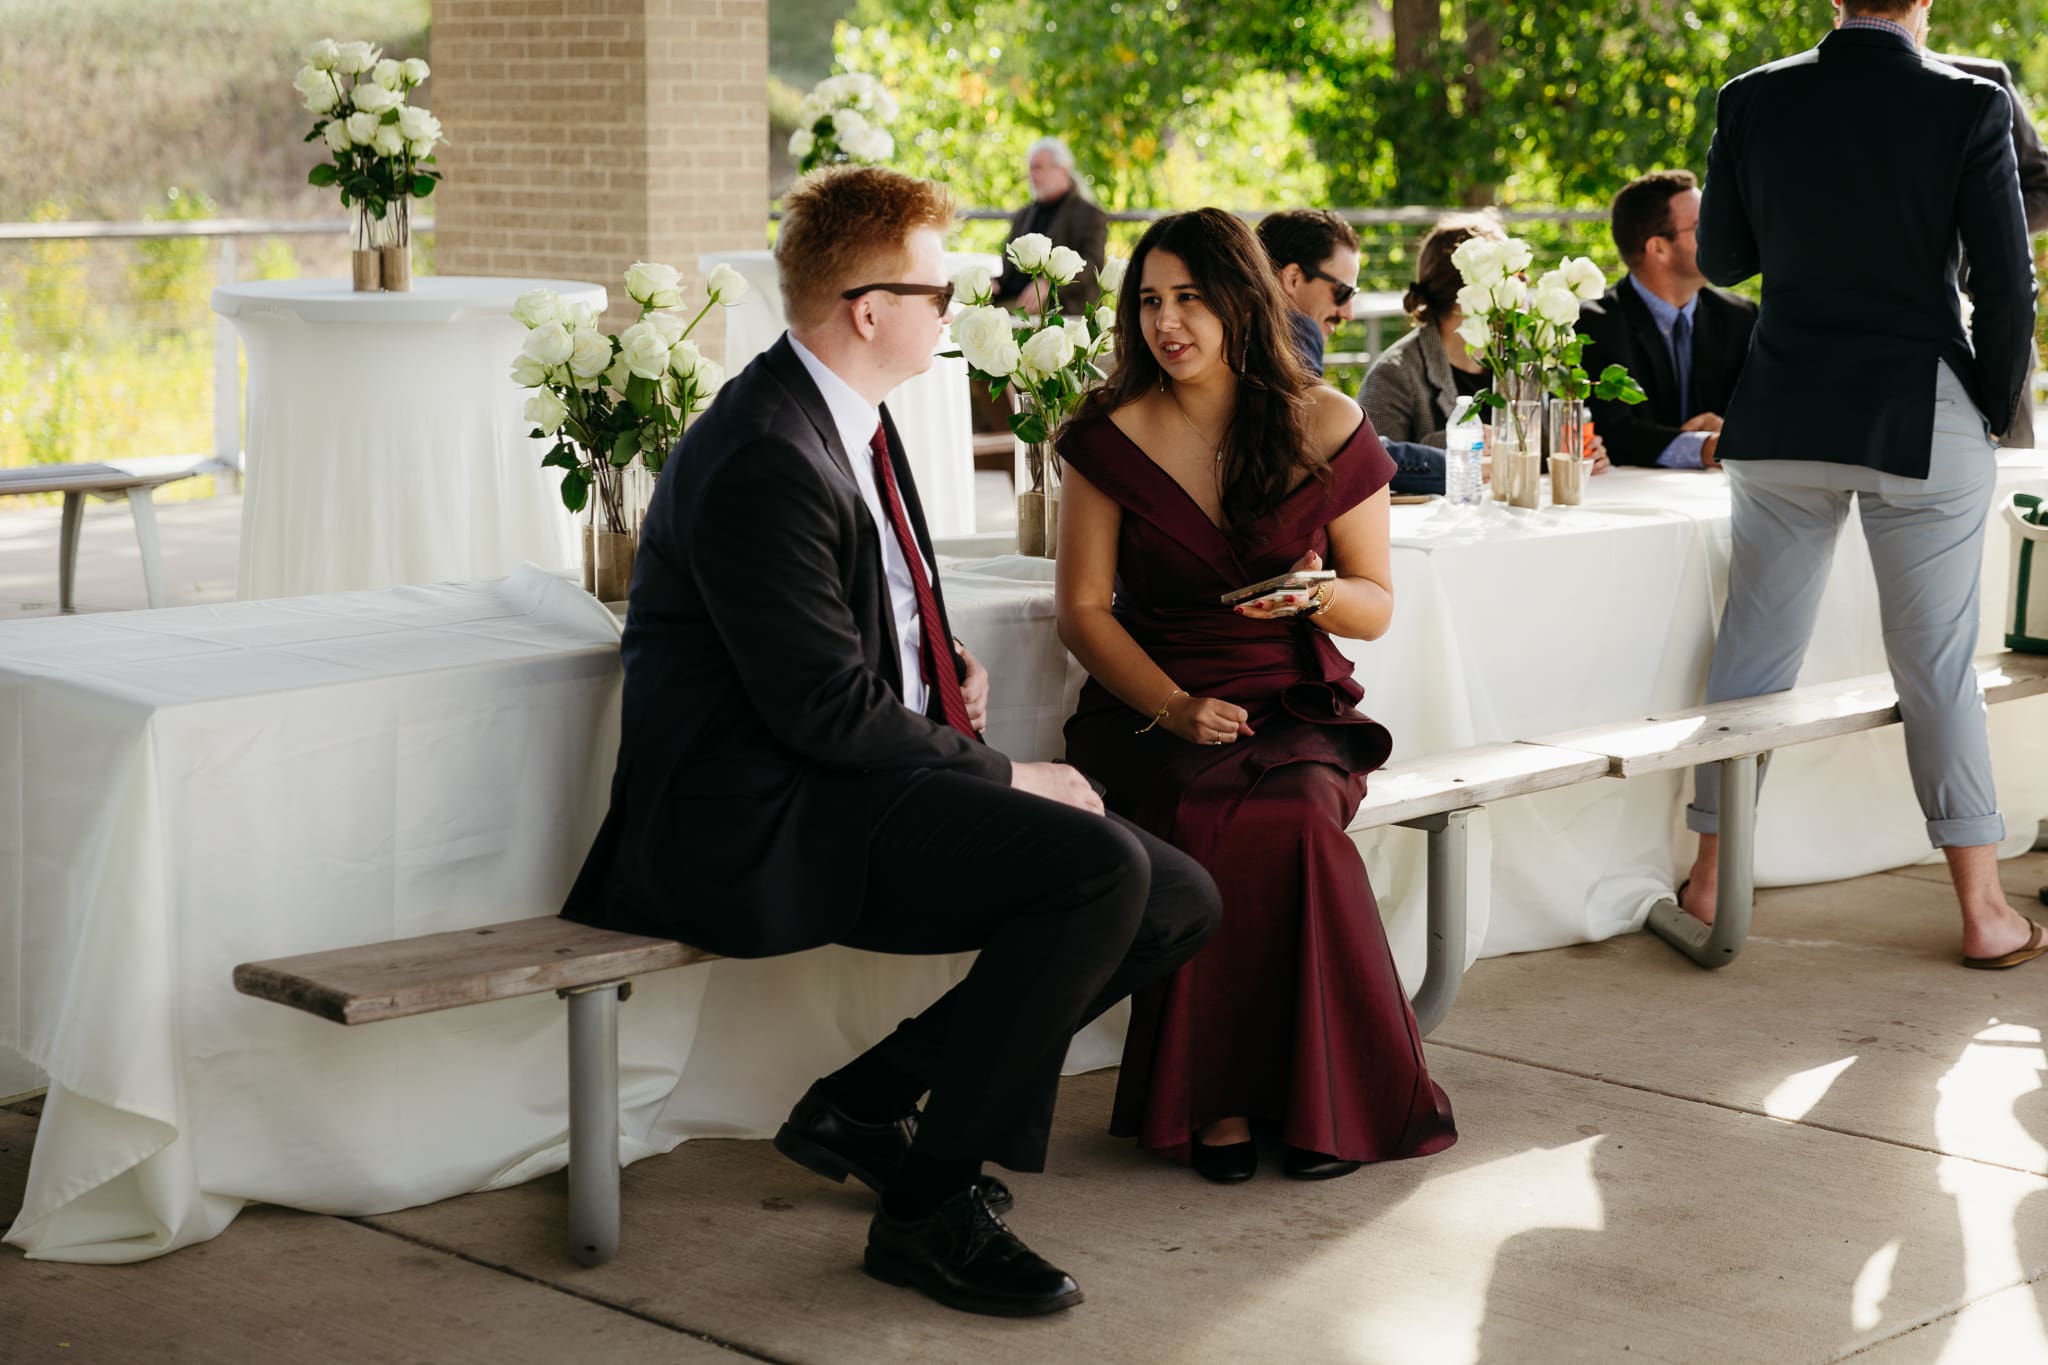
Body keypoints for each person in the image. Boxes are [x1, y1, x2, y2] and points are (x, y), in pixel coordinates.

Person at [561, 166, 1223, 1316]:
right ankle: (925, 1207)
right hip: (763, 817)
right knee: (1096, 871)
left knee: (1177, 900)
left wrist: (933, 654)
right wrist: (1010, 773)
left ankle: (864, 1103)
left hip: (854, 780)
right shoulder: (762, 450)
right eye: (938, 291)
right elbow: (819, 709)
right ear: (867, 310)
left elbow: (847, 620)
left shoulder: (846, 413)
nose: (955, 308)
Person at [1052, 207, 1458, 1184]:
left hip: (1289, 698)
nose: (1166, 322)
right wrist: (1172, 707)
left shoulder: (1328, 421)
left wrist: (1316, 594)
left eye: (1190, 297)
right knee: (1198, 813)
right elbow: (1081, 612)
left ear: (1240, 300)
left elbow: (1373, 604)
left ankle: (1328, 1100)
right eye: (1149, 301)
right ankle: (1217, 1101)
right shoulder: (1106, 434)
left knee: (1298, 820)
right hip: (1151, 705)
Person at [1678, 0, 2044, 969]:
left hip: (1783, 407)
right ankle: (1983, 913)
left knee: (1752, 651)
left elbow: (1721, 260)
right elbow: (2007, 284)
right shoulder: (1968, 103)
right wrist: (1990, 400)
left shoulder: (1750, 97)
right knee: (1934, 663)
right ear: (1922, 2)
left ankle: (1709, 877)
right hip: (1919, 411)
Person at [1362, 213, 1610, 480]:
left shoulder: (1526, 357)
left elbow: (1539, 450)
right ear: (1469, 290)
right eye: (1515, 274)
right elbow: (1369, 469)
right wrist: (1457, 445)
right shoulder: (1394, 374)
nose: (1526, 283)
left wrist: (1577, 452)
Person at [1577, 170, 1759, 468]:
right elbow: (1612, 430)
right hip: (1630, 493)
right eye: (1702, 226)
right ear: (1658, 248)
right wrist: (1704, 448)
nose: (1719, 235)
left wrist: (1730, 430)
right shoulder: (1595, 323)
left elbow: (1768, 410)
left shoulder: (1740, 317)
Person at [1933, 46, 2048, 447]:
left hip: (1993, 328)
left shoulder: (1984, 81)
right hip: (1893, 346)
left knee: (2010, 467)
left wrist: (1980, 229)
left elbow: (2043, 186)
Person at [992, 136, 1110, 314]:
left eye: (1038, 168)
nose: (1032, 175)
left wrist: (1050, 284)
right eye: (1031, 168)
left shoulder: (1089, 214)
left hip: (1059, 308)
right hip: (1010, 303)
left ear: (1062, 171)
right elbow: (1009, 267)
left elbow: (1093, 265)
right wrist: (992, 284)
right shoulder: (1024, 215)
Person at [1255, 208, 1361, 378]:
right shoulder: (1297, 333)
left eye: (1352, 295)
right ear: (1293, 279)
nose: (1348, 314)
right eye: (1342, 292)